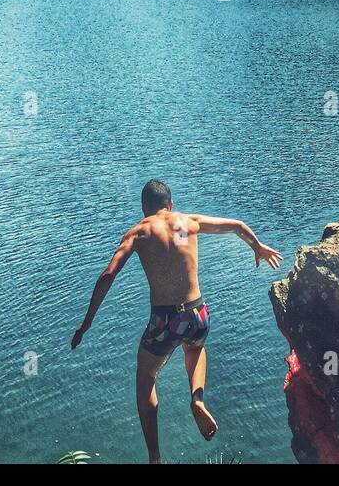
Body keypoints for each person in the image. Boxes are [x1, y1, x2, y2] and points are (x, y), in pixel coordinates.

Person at [70, 178, 283, 464]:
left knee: (146, 377)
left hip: (165, 320)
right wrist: (257, 247)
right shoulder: (188, 221)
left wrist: (87, 323)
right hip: (198, 314)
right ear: (170, 204)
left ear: (145, 208)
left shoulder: (139, 232)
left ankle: (155, 457)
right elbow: (237, 226)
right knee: (195, 348)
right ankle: (197, 398)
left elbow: (108, 275)